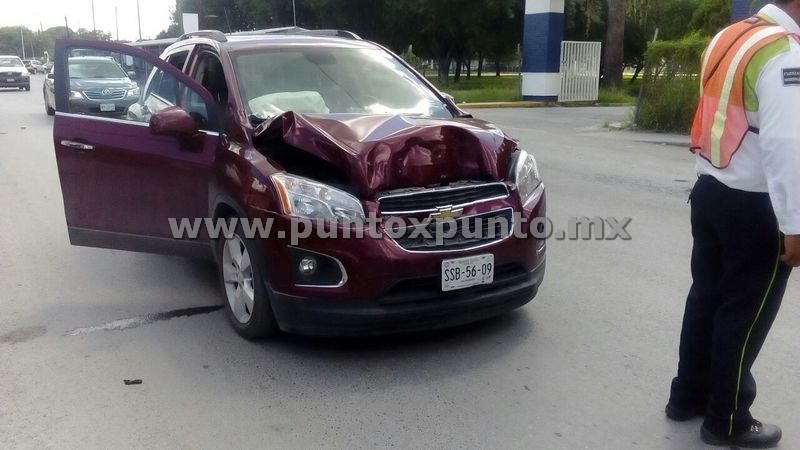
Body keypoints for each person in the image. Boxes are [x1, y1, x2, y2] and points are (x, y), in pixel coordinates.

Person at [667, 1, 800, 448]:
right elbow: (787, 145)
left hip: (710, 190)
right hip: (754, 206)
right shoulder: (784, 52)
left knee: (705, 298)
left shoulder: (733, 35)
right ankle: (727, 421)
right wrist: (795, 224)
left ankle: (687, 396)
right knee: (743, 316)